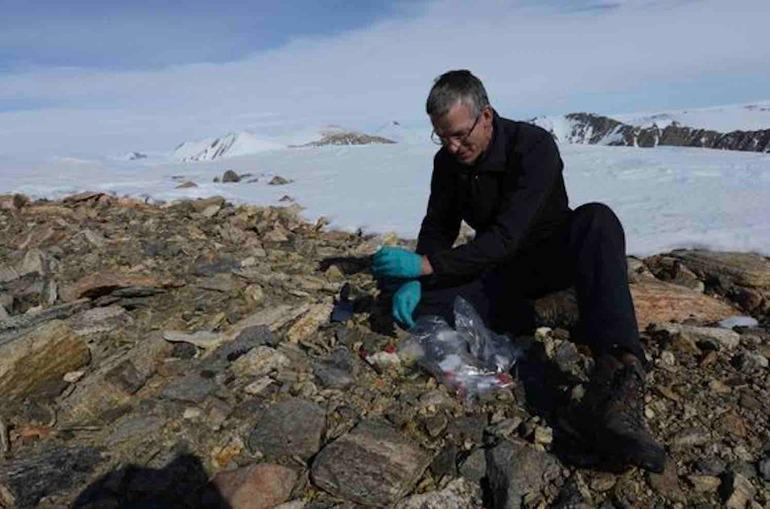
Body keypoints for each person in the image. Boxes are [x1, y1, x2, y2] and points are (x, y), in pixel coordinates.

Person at [371, 69, 665, 473]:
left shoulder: (533, 146)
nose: (453, 147)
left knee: (597, 220)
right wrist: (418, 278)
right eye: (442, 137)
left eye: (459, 134)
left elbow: (508, 235)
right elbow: (439, 225)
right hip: (501, 272)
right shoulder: (448, 163)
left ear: (486, 115)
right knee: (423, 303)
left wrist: (427, 266)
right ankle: (549, 311)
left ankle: (619, 378)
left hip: (552, 259)